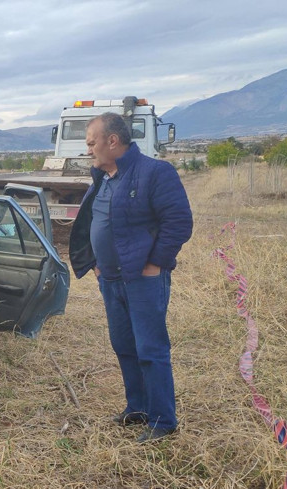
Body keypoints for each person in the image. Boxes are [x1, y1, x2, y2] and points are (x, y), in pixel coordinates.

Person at [69, 112, 193, 443]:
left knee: (150, 348)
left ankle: (163, 420)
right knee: (124, 345)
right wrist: (94, 263)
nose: (88, 150)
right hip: (110, 280)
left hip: (143, 280)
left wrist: (156, 263)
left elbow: (179, 222)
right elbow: (88, 223)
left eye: (91, 142)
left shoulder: (155, 172)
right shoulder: (102, 177)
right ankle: (137, 408)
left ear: (113, 140)